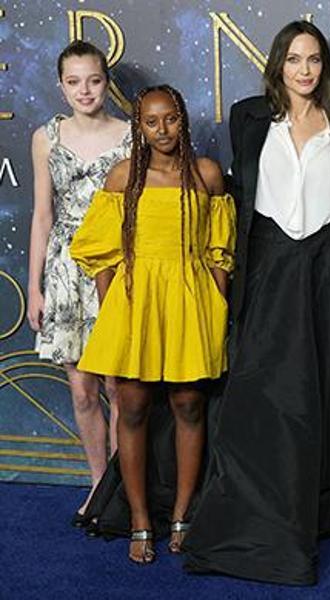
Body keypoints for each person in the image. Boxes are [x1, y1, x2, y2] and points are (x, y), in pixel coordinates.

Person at [183, 21, 330, 585]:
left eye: (313, 59)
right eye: (294, 59)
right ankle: (247, 517)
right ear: (278, 65)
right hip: (267, 270)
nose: (304, 70)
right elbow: (238, 195)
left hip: (323, 277)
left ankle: (317, 510)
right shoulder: (248, 117)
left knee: (318, 393)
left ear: (324, 67)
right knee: (262, 395)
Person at [70, 84, 235, 564]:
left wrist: (217, 310)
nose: (163, 130)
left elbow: (220, 254)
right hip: (134, 304)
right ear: (139, 127)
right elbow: (102, 254)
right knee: (134, 407)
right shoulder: (123, 176)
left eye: (171, 119)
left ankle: (182, 514)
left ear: (183, 120)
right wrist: (115, 314)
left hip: (191, 303)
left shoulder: (206, 174)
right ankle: (140, 519)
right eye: (151, 121)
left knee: (189, 404)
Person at [27, 40, 129, 525]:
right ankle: (97, 486)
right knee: (83, 390)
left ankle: (122, 491)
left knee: (119, 388)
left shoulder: (132, 136)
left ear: (106, 81)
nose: (84, 90)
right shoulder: (45, 137)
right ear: (61, 86)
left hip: (117, 269)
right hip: (66, 270)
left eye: (93, 80)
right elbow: (42, 216)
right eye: (74, 82)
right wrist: (34, 287)